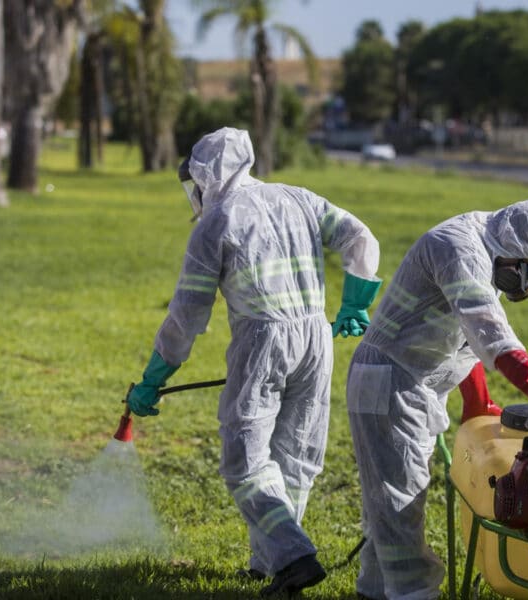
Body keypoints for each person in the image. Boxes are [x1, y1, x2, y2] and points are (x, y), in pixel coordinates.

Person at [126, 127, 381, 596]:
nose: (195, 194)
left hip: (261, 339)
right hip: (314, 339)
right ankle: (270, 565)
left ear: (205, 174)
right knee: (295, 458)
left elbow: (186, 317)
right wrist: (355, 302)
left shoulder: (215, 224)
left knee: (244, 460)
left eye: (194, 183)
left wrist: (154, 376)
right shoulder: (297, 197)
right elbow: (360, 238)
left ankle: (293, 556)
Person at [345, 195, 528, 600]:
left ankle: (375, 591)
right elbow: (486, 328)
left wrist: (476, 399)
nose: (525, 280)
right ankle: (413, 593)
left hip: (413, 383)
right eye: (525, 268)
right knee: (398, 501)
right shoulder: (458, 247)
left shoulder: (489, 247)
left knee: (391, 499)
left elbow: (464, 334)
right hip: (389, 381)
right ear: (510, 245)